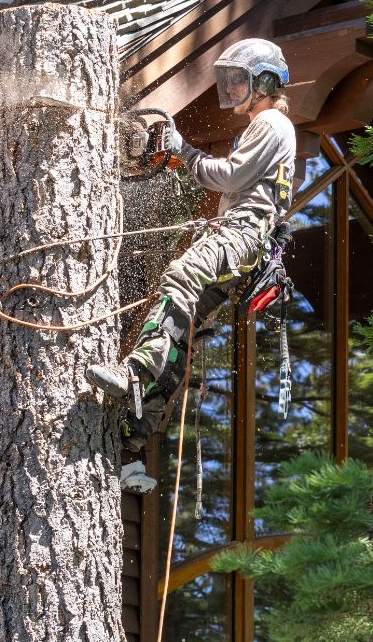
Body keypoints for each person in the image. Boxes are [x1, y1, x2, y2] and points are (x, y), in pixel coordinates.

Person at [89, 38, 295, 492]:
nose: (233, 90)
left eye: (240, 81)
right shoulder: (264, 127)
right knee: (181, 336)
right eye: (231, 81)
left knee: (181, 276)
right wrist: (181, 157)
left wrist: (184, 151)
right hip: (245, 239)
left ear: (264, 82)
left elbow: (232, 176)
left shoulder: (272, 123)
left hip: (242, 234)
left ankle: (136, 371)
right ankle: (131, 451)